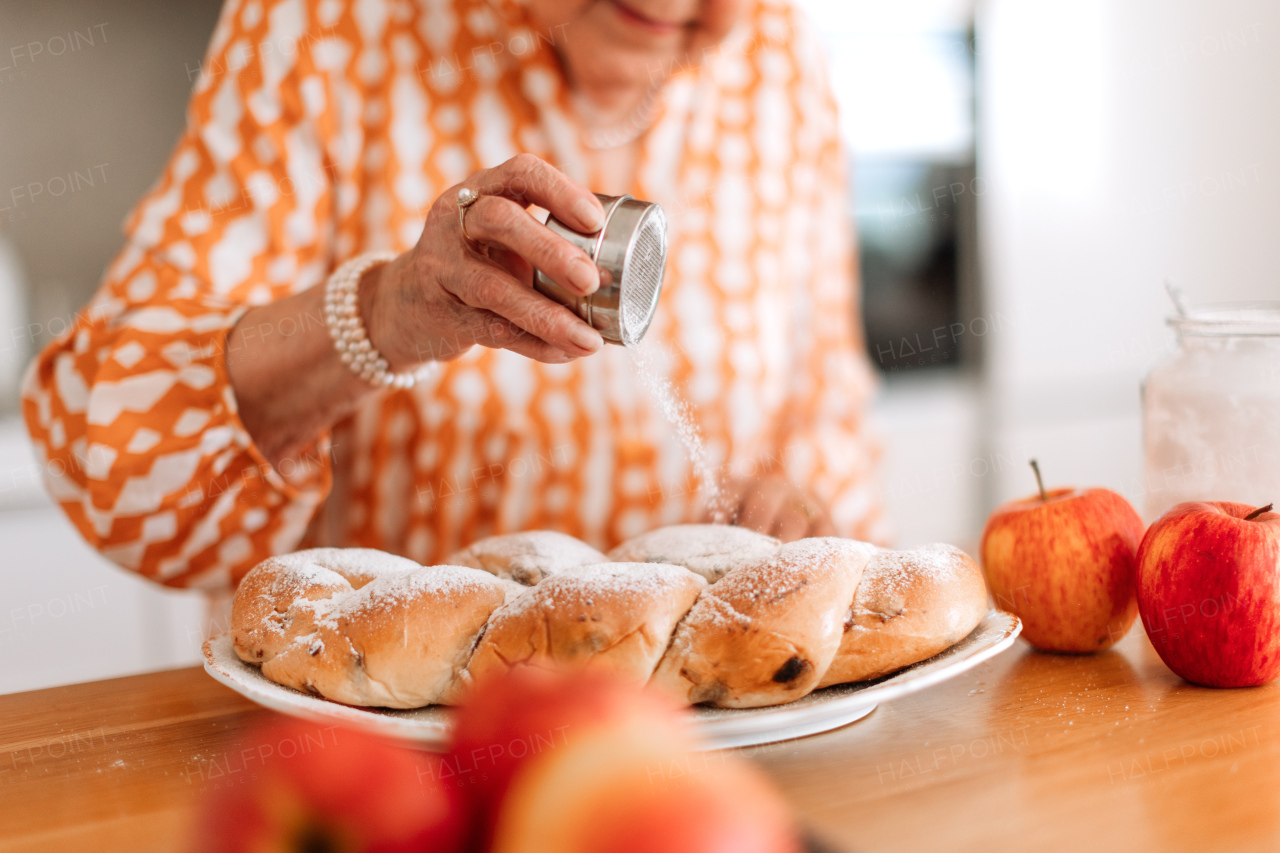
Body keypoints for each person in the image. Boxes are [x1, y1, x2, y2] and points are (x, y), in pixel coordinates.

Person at [22, 0, 883, 593]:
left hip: (696, 763)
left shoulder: (775, 53)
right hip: (381, 770)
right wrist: (380, 317)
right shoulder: (332, 28)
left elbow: (824, 412)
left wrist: (797, 508)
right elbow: (113, 451)